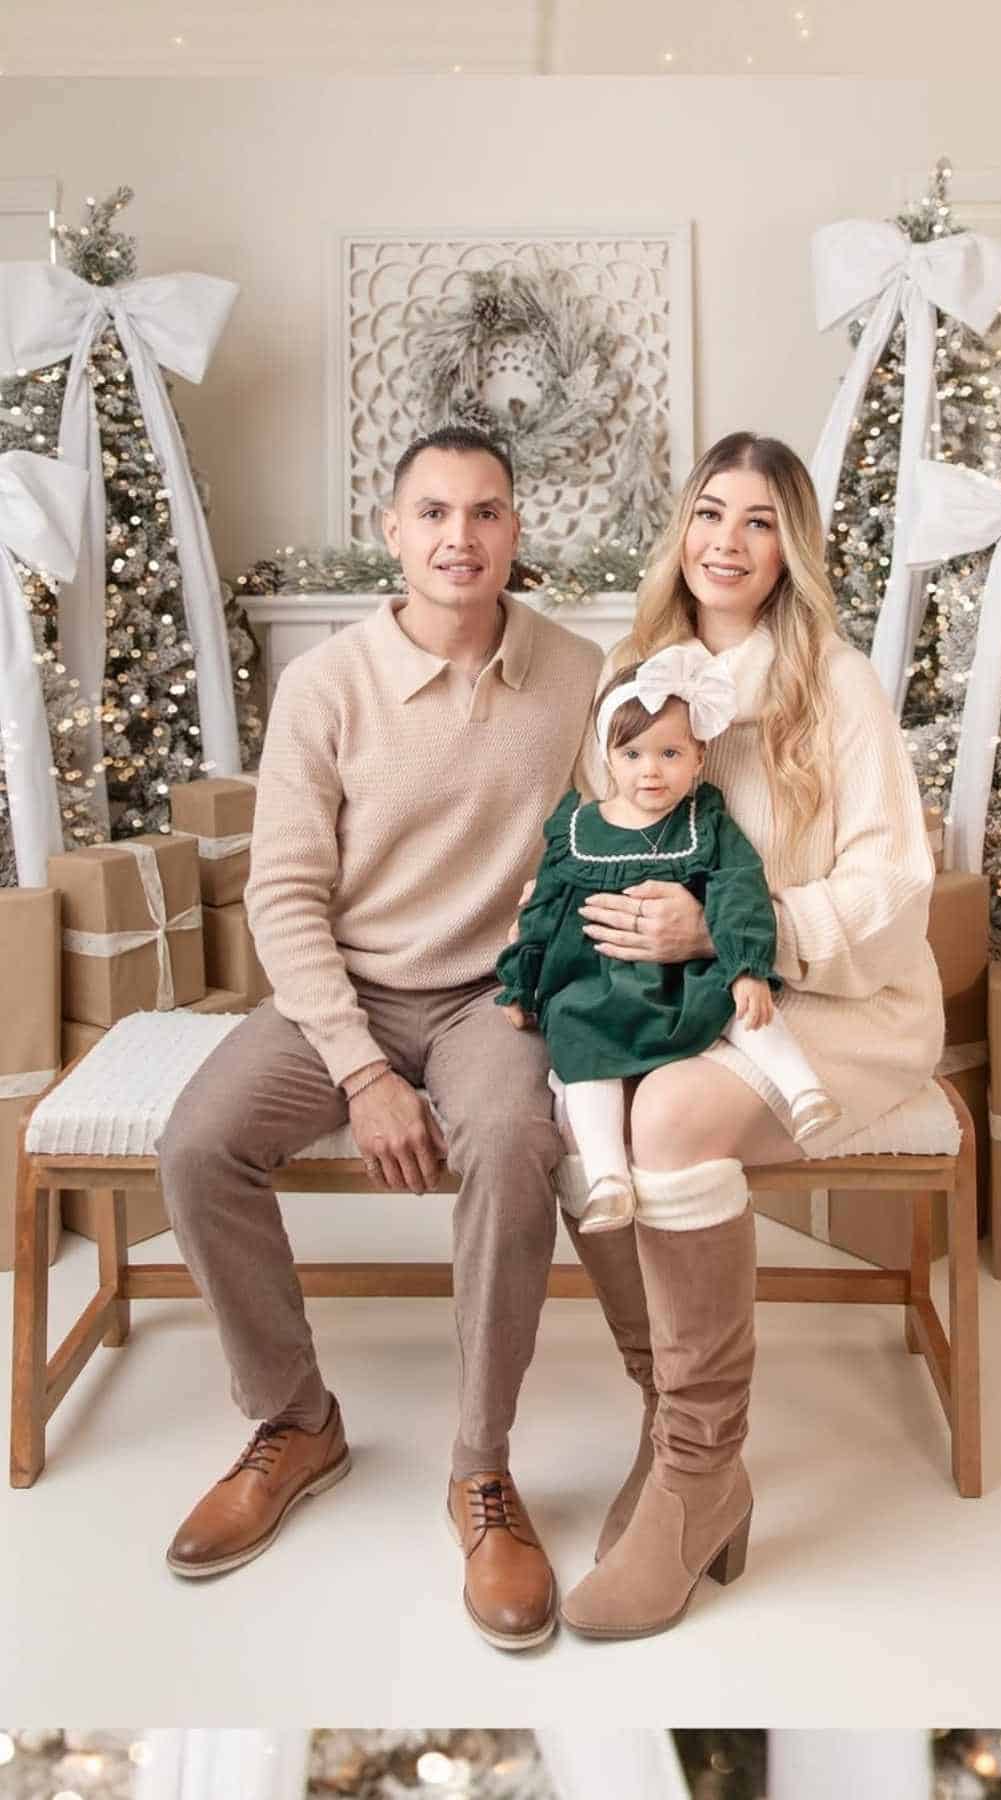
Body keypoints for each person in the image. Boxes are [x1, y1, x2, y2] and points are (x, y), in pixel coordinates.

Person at [157, 424, 602, 1652]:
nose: (461, 538)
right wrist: (360, 1068)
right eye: (435, 514)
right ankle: (296, 1422)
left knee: (516, 1141)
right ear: (393, 532)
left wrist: (534, 984)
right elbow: (284, 893)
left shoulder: (577, 673)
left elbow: (594, 846)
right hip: (341, 991)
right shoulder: (328, 683)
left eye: (486, 513)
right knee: (198, 1145)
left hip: (490, 1001)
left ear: (517, 530)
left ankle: (480, 1471)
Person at [549, 430, 944, 1640]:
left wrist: (738, 931)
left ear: (792, 549)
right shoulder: (638, 675)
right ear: (682, 531)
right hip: (679, 1004)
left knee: (663, 1120)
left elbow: (897, 886)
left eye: (760, 521)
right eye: (710, 513)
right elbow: (601, 842)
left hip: (836, 1003)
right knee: (578, 1110)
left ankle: (704, 1467)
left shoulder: (837, 684)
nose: (728, 541)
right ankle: (674, 1436)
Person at [495, 645, 840, 1234]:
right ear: (607, 756)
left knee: (737, 1000)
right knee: (576, 1039)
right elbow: (545, 908)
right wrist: (522, 985)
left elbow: (738, 889)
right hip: (596, 981)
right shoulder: (577, 826)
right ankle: (607, 1178)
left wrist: (746, 965)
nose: (649, 771)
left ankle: (802, 1088)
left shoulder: (702, 821)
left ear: (699, 758)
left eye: (669, 753)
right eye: (631, 754)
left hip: (681, 976)